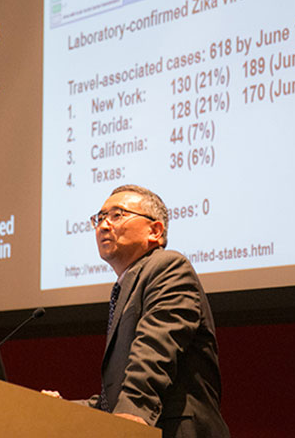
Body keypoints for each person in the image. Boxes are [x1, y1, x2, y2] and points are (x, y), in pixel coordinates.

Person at [45, 185, 230, 437]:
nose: (103, 225)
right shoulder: (127, 287)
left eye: (117, 215)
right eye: (99, 218)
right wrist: (61, 409)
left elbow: (154, 351)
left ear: (155, 231)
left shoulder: (168, 267)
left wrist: (130, 415)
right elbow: (113, 401)